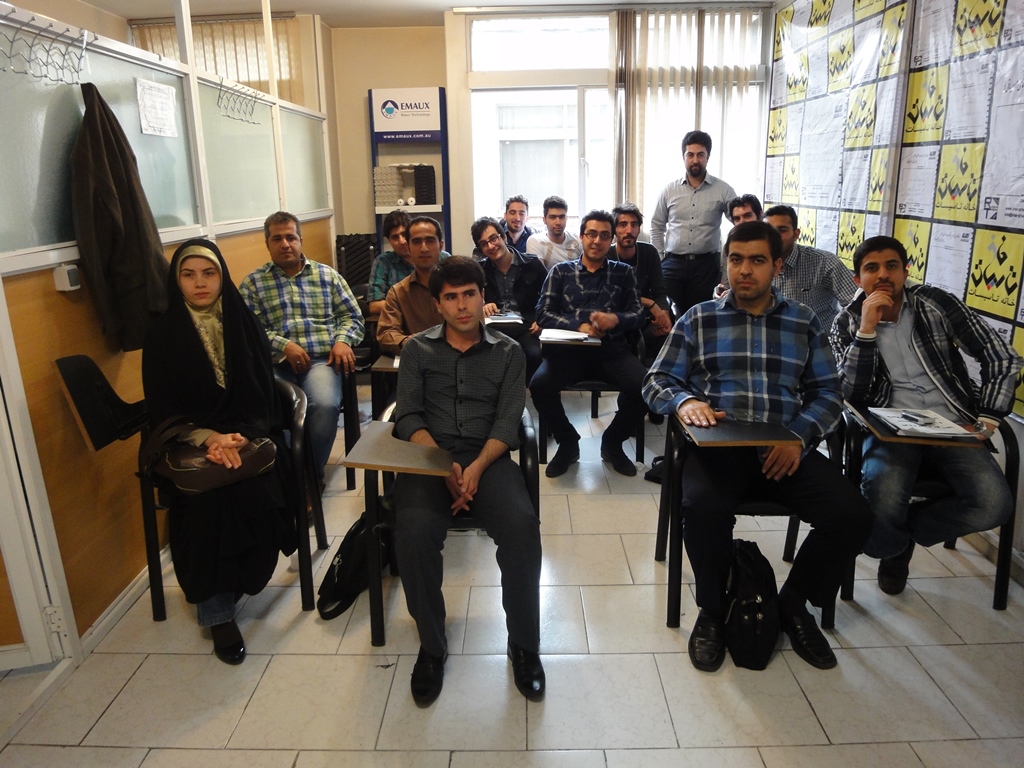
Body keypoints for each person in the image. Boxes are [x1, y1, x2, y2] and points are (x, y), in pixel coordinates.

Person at [643, 221, 871, 673]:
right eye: (736, 259)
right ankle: (713, 610)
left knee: (852, 515)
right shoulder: (699, 318)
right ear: (725, 263)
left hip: (783, 448)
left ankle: (793, 604)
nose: (744, 270)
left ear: (777, 266)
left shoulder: (802, 321)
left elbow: (829, 393)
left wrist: (798, 436)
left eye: (757, 260)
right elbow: (656, 380)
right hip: (718, 450)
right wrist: (685, 401)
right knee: (703, 509)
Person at [831, 235, 1022, 595]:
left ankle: (905, 537)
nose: (883, 275)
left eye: (892, 266)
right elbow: (850, 394)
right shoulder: (846, 323)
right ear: (858, 279)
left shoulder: (936, 304)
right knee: (880, 514)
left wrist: (989, 417)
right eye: (872, 268)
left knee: (994, 505)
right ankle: (892, 547)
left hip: (952, 426)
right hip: (890, 430)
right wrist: (867, 332)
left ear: (905, 271)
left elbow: (1002, 357)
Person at [392, 256, 543, 706]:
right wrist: (444, 467)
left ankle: (524, 645)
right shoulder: (416, 350)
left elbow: (509, 419)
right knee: (414, 532)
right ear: (437, 304)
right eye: (451, 297)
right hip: (430, 458)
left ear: (483, 297)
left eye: (469, 295)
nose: (462, 306)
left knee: (521, 527)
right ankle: (431, 646)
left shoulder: (508, 352)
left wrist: (473, 469)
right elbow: (407, 416)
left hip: (488, 458)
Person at [143, 239, 296, 666]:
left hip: (248, 437)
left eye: (209, 273)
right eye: (189, 275)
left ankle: (243, 579)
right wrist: (209, 438)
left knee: (254, 491)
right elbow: (162, 407)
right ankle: (217, 612)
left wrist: (241, 436)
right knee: (206, 502)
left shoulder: (243, 323)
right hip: (190, 444)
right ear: (176, 281)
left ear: (222, 276)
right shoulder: (161, 334)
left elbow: (261, 393)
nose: (200, 283)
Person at [239, 212, 364, 481]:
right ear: (267, 244)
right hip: (275, 364)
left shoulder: (327, 276)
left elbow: (352, 317)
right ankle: (283, 473)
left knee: (324, 405)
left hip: (322, 361)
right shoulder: (253, 283)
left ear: (300, 241)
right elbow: (249, 330)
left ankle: (308, 477)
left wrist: (342, 341)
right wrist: (285, 346)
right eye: (277, 239)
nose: (285, 244)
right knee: (267, 406)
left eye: (290, 237)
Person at [532, 209, 648, 478]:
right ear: (582, 236)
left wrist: (615, 319)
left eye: (604, 236)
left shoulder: (623, 273)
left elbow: (638, 315)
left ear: (612, 240)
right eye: (592, 234)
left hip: (612, 351)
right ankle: (568, 443)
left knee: (645, 387)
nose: (597, 241)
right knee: (539, 386)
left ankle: (613, 443)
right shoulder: (560, 272)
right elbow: (543, 313)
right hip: (569, 351)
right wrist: (578, 325)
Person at [650, 130, 737, 315]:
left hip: (706, 266)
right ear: (683, 157)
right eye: (690, 155)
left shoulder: (723, 190)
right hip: (672, 264)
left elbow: (740, 221)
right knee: (668, 314)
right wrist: (659, 259)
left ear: (708, 157)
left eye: (700, 155)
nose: (695, 160)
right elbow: (657, 226)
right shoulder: (669, 191)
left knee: (702, 316)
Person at [473, 216, 547, 380]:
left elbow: (549, 296)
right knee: (484, 357)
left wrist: (541, 319)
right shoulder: (479, 270)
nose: (491, 246)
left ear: (504, 237)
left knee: (533, 354)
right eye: (484, 244)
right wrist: (483, 305)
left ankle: (521, 392)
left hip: (526, 326)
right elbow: (471, 298)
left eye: (493, 239)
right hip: (493, 328)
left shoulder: (532, 264)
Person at [763, 205, 856, 333]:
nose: (775, 237)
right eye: (769, 231)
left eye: (782, 230)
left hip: (815, 339)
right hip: (772, 338)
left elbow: (855, 304)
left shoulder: (824, 262)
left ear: (796, 234)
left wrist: (840, 335)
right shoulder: (757, 263)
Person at [609, 202, 672, 360]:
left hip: (644, 320)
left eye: (634, 225)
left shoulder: (649, 252)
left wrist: (663, 316)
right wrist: (649, 303)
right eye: (623, 225)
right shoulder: (607, 255)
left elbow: (659, 291)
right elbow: (614, 296)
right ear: (614, 229)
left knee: (668, 334)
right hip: (617, 319)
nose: (629, 230)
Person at [376, 216, 446, 355]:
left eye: (430, 241)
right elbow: (386, 334)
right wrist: (406, 341)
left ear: (441, 245)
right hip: (419, 358)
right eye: (417, 242)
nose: (424, 248)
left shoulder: (460, 286)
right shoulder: (398, 292)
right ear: (408, 248)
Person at [367, 209, 412, 316]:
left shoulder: (439, 258)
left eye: (404, 234)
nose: (402, 241)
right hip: (399, 321)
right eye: (395, 237)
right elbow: (374, 305)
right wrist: (411, 308)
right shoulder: (383, 262)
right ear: (389, 240)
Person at [526, 195, 583, 269]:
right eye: (552, 217)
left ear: (566, 218)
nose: (558, 222)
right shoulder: (535, 241)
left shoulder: (578, 239)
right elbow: (539, 274)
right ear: (544, 220)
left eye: (562, 217)